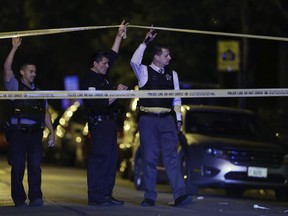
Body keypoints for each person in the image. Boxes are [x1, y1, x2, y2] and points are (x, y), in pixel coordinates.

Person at [130, 29, 192, 207]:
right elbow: (133, 60)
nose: (169, 58)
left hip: (167, 120)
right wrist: (145, 42)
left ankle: (180, 195)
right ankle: (149, 196)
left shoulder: (172, 75)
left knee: (172, 158)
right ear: (157, 57)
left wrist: (178, 119)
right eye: (166, 55)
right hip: (147, 120)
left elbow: (177, 98)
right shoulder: (143, 71)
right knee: (149, 158)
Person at [3, 37, 55, 207]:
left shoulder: (39, 92)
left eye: (35, 71)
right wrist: (14, 48)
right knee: (18, 167)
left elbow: (45, 112)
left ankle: (36, 197)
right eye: (30, 71)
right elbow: (6, 68)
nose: (33, 74)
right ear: (22, 72)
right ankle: (19, 199)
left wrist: (52, 132)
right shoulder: (14, 87)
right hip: (18, 133)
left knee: (35, 167)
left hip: (35, 135)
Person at [82, 21, 128, 206]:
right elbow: (96, 103)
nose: (107, 66)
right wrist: (117, 93)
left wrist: (119, 35)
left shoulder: (103, 77)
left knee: (110, 160)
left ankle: (107, 195)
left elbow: (113, 55)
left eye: (107, 64)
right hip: (99, 123)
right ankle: (96, 197)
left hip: (109, 123)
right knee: (99, 159)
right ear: (95, 64)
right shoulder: (90, 79)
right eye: (104, 63)